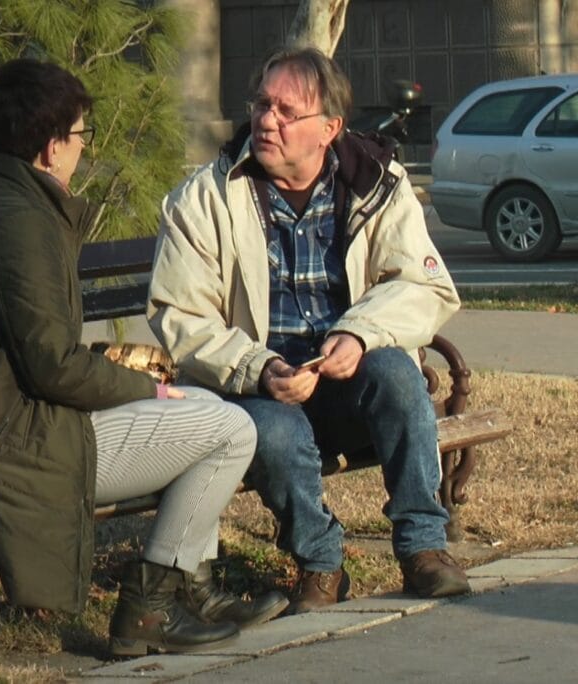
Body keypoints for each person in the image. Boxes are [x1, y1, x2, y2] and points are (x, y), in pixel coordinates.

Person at [0, 58, 288, 656]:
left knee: (203, 408)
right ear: (50, 147)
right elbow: (52, 366)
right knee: (229, 428)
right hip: (12, 444)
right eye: (81, 136)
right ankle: (152, 607)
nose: (84, 150)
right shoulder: (19, 221)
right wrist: (148, 390)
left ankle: (190, 590)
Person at [148, 46, 471, 614]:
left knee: (398, 373)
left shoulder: (378, 183)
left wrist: (358, 335)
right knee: (270, 433)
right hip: (258, 383)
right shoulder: (207, 198)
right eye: (261, 105)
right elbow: (179, 317)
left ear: (329, 128)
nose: (267, 120)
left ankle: (423, 548)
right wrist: (258, 367)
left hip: (350, 378)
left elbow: (426, 285)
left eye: (286, 111)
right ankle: (322, 563)